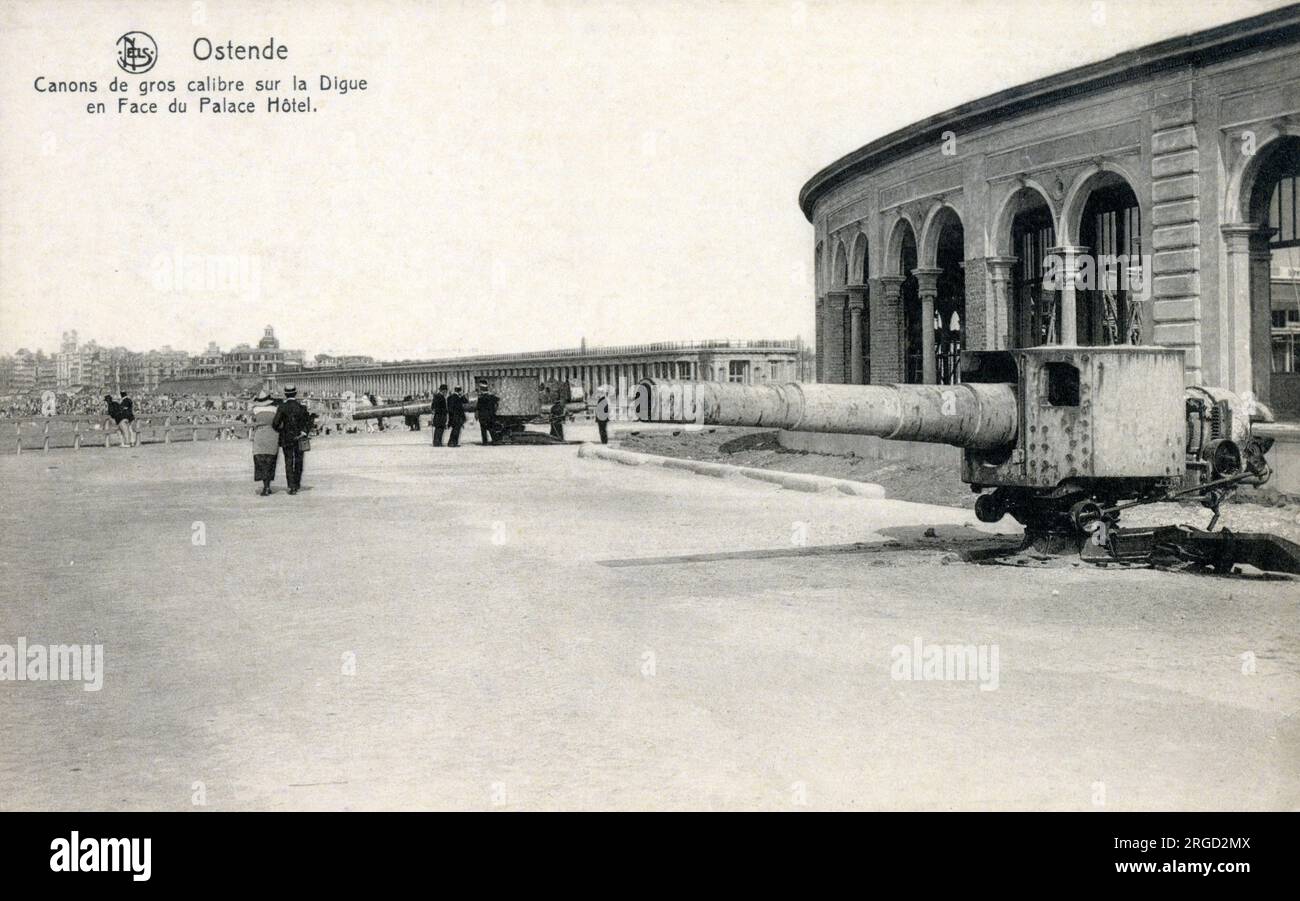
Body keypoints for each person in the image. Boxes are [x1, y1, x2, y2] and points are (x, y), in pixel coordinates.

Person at [272, 384, 312, 495]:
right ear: (295, 393)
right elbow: (308, 422)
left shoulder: (282, 407)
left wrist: (282, 431)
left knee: (288, 461)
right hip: (300, 437)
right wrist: (304, 431)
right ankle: (297, 483)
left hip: (286, 438)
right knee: (299, 461)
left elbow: (275, 424)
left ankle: (291, 486)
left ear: (285, 394)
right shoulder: (301, 407)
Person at [249, 390, 281, 496]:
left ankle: (265, 486)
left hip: (260, 435)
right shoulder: (275, 409)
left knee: (260, 460)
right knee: (270, 460)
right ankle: (268, 486)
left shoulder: (256, 409)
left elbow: (251, 417)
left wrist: (254, 400)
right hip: (272, 434)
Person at [475, 378, 499, 445]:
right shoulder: (491, 396)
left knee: (483, 430)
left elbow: (478, 407)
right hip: (490, 415)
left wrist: (477, 415)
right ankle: (495, 440)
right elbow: (497, 400)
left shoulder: (481, 398)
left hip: (482, 416)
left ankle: (485, 442)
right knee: (491, 428)